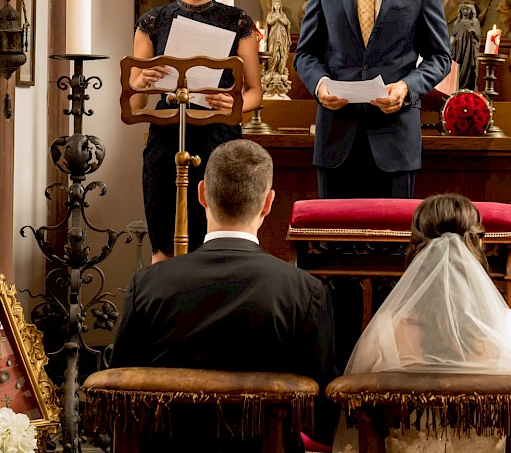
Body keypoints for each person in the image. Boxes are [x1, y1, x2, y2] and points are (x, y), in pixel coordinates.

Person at [110, 139, 339, 445]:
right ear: (268, 202)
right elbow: (322, 420)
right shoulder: (305, 291)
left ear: (202, 194)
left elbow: (117, 399)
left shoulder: (147, 284)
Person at [332, 193, 511, 453]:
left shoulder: (386, 330)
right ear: (477, 247)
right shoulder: (506, 326)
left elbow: (355, 410)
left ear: (415, 248)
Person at [294, 0, 451, 199]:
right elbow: (306, 53)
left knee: (394, 248)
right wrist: (320, 85)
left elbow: (439, 57)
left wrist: (407, 87)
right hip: (336, 139)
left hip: (395, 140)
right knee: (333, 246)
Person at [129, 0, 263, 263]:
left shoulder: (238, 22)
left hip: (220, 145)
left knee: (216, 249)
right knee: (164, 248)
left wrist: (235, 105)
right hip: (166, 144)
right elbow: (135, 103)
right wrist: (143, 81)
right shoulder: (153, 22)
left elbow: (255, 92)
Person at [449, 0, 481, 91]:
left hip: (469, 48)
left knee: (468, 67)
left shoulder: (474, 22)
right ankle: (457, 86)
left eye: (467, 9)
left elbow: (478, 36)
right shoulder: (458, 22)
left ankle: (468, 86)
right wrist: (452, 41)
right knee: (458, 64)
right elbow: (453, 34)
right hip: (459, 48)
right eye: (464, 9)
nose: (465, 11)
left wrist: (473, 32)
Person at [265, 0, 291, 76]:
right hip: (273, 35)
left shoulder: (283, 14)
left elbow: (286, 23)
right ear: (273, 6)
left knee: (282, 52)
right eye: (275, 4)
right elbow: (269, 22)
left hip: (282, 35)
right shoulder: (270, 14)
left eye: (278, 4)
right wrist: (276, 18)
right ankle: (271, 70)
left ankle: (280, 70)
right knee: (273, 52)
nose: (277, 6)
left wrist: (280, 18)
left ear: (280, 6)